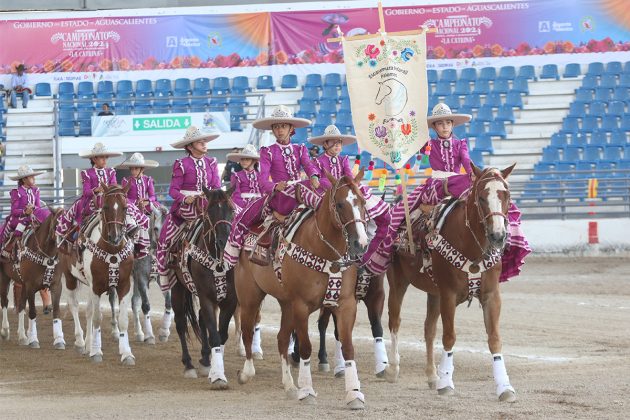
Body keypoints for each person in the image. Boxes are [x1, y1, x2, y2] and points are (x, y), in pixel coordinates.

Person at [368, 103, 530, 281]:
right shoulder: (428, 144)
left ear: (452, 125)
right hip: (437, 184)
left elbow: (467, 161)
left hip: (459, 181)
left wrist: (473, 174)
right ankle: (398, 244)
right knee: (399, 212)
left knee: (492, 194)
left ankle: (509, 232)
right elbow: (405, 145)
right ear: (434, 127)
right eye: (440, 123)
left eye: (448, 122)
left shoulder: (461, 144)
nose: (444, 126)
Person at [223, 105, 321, 267]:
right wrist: (275, 187)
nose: (279, 130)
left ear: (291, 128)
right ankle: (232, 254)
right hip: (279, 196)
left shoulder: (300, 149)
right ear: (272, 131)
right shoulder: (267, 151)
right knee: (244, 217)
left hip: (300, 191)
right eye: (276, 127)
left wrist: (314, 176)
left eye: (283, 126)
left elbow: (309, 166)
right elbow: (263, 180)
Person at [309, 125, 391, 277]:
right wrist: (331, 186)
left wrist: (348, 187)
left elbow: (348, 176)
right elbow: (318, 178)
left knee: (366, 209)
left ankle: (366, 246)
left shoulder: (344, 159)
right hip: (326, 194)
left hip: (346, 192)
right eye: (333, 142)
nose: (337, 145)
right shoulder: (318, 161)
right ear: (325, 144)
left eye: (339, 142)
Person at [55, 143, 150, 259]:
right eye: (102, 157)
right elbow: (86, 192)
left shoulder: (111, 172)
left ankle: (132, 229)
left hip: (109, 198)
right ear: (94, 159)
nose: (105, 160)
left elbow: (114, 186)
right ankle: (71, 237)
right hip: (93, 200)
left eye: (106, 157)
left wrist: (112, 190)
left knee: (127, 206)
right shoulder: (86, 173)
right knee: (76, 209)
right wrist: (96, 190)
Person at [157, 126, 222, 291]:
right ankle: (167, 265)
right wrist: (185, 198)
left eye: (204, 141)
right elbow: (173, 190)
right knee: (165, 237)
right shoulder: (181, 164)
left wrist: (210, 197)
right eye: (200, 142)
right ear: (190, 146)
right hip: (187, 207)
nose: (204, 144)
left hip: (208, 204)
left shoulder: (212, 162)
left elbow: (216, 186)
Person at [0, 165, 51, 262]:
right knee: (25, 221)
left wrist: (33, 209)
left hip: (32, 216)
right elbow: (14, 211)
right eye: (31, 177)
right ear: (24, 179)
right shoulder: (16, 192)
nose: (34, 178)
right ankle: (10, 245)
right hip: (18, 218)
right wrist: (24, 211)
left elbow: (38, 206)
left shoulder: (36, 190)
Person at [225, 144, 262, 215]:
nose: (244, 161)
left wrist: (261, 204)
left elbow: (264, 192)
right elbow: (236, 194)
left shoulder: (260, 176)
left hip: (260, 205)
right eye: (242, 159)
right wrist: (246, 206)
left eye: (247, 159)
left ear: (254, 161)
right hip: (242, 206)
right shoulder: (236, 175)